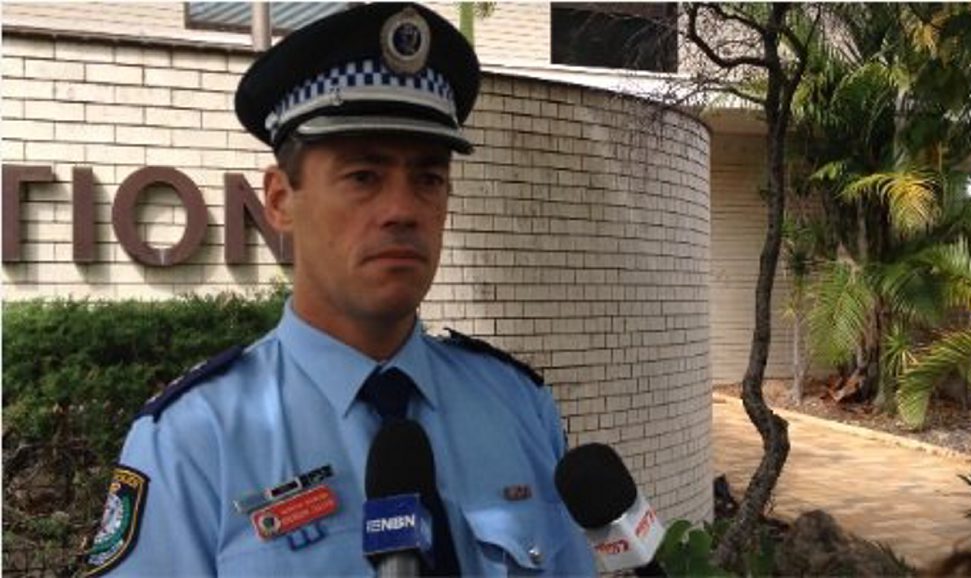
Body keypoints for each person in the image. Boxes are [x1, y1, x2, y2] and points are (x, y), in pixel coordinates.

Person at [82, 3, 596, 577]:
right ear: (279, 199)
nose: (403, 209)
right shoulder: (194, 442)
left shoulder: (518, 406)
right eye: (363, 177)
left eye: (428, 178)